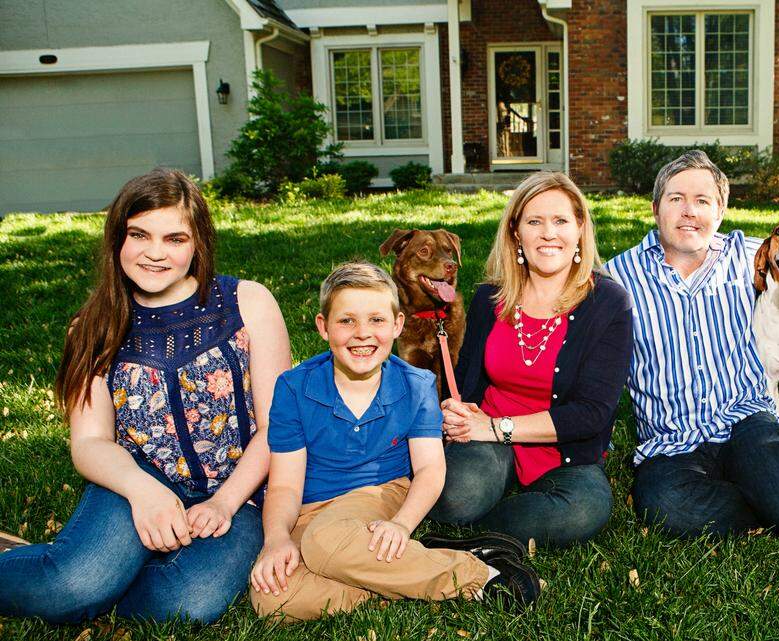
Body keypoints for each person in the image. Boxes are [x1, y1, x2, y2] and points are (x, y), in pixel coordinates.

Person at [0, 168, 292, 623]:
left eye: (175, 239)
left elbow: (278, 427)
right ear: (118, 238)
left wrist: (224, 502)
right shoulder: (93, 326)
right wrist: (145, 492)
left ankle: (101, 573)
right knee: (72, 585)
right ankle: (74, 572)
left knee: (184, 606)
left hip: (242, 492)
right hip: (136, 482)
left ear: (198, 245)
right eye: (140, 234)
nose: (156, 253)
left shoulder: (247, 302)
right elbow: (91, 443)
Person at [249, 262, 540, 622]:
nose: (362, 334)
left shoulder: (415, 385)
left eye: (376, 320)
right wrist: (276, 539)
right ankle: (407, 567)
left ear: (397, 325)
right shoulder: (295, 387)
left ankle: (478, 576)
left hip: (380, 494)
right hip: (311, 512)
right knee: (271, 600)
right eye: (346, 321)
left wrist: (401, 524)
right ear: (323, 327)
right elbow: (284, 487)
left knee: (324, 543)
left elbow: (431, 470)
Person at [605, 150, 779, 540]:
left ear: (721, 212)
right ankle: (774, 497)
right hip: (671, 439)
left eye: (703, 201)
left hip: (745, 421)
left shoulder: (748, 256)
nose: (689, 212)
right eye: (676, 199)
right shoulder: (617, 276)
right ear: (655, 208)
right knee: (665, 506)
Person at [427, 171, 633, 549]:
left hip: (563, 446)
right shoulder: (491, 298)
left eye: (560, 221)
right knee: (456, 496)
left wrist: (495, 427)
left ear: (579, 229)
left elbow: (592, 413)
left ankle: (474, 536)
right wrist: (457, 414)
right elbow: (466, 379)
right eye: (534, 221)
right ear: (516, 232)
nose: (548, 233)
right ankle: (484, 505)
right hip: (486, 433)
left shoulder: (607, 303)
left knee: (584, 509)